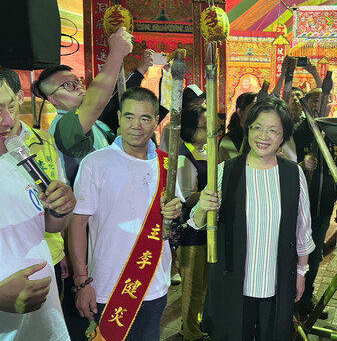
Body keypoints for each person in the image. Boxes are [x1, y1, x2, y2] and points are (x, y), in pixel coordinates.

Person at [191, 97, 315, 340]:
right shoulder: (226, 171)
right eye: (257, 127)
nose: (263, 135)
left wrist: (301, 273)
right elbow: (197, 222)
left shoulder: (293, 174)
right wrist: (203, 207)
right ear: (247, 129)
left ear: (283, 136)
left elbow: (302, 230)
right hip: (234, 282)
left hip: (276, 282)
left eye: (272, 130)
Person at [68, 87, 183, 340]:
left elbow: (175, 212)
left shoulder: (167, 165)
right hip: (108, 286)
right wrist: (82, 281)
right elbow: (77, 225)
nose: (137, 125)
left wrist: (176, 211)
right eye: (129, 117)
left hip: (154, 283)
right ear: (119, 117)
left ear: (155, 122)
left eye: (145, 118)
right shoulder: (96, 163)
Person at [0, 74, 76, 340]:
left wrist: (60, 209)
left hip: (44, 322)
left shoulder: (20, 157)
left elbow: (46, 226)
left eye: (10, 106)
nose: (8, 121)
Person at [32, 26, 133, 184]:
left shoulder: (96, 123)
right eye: (67, 85)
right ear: (52, 99)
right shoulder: (63, 126)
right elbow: (95, 103)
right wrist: (116, 54)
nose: (77, 86)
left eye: (76, 81)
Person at [294, 88, 337, 320]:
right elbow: (284, 162)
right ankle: (288, 296)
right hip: (300, 207)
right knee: (295, 254)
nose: (319, 105)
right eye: (315, 100)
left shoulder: (332, 132)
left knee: (315, 256)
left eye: (324, 101)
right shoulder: (298, 132)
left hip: (324, 207)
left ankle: (306, 297)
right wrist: (302, 165)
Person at [176, 105, 209, 341]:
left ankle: (196, 326)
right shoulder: (183, 158)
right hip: (191, 231)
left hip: (207, 229)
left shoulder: (204, 152)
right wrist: (214, 190)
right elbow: (187, 197)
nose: (208, 131)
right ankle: (190, 332)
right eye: (202, 127)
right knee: (191, 287)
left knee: (202, 285)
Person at [218, 91, 257, 162]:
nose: (257, 113)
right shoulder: (229, 140)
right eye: (253, 108)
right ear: (239, 112)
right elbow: (235, 168)